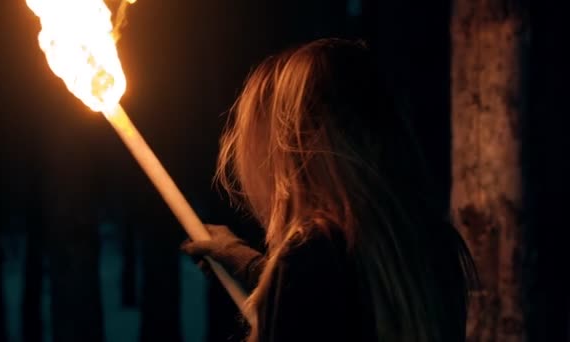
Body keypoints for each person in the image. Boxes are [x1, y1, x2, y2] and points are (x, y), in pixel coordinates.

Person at [181, 38, 477, 342]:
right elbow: (344, 309)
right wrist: (250, 266)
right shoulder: (429, 245)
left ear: (295, 145)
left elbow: (318, 299)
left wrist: (280, 283)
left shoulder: (311, 256)